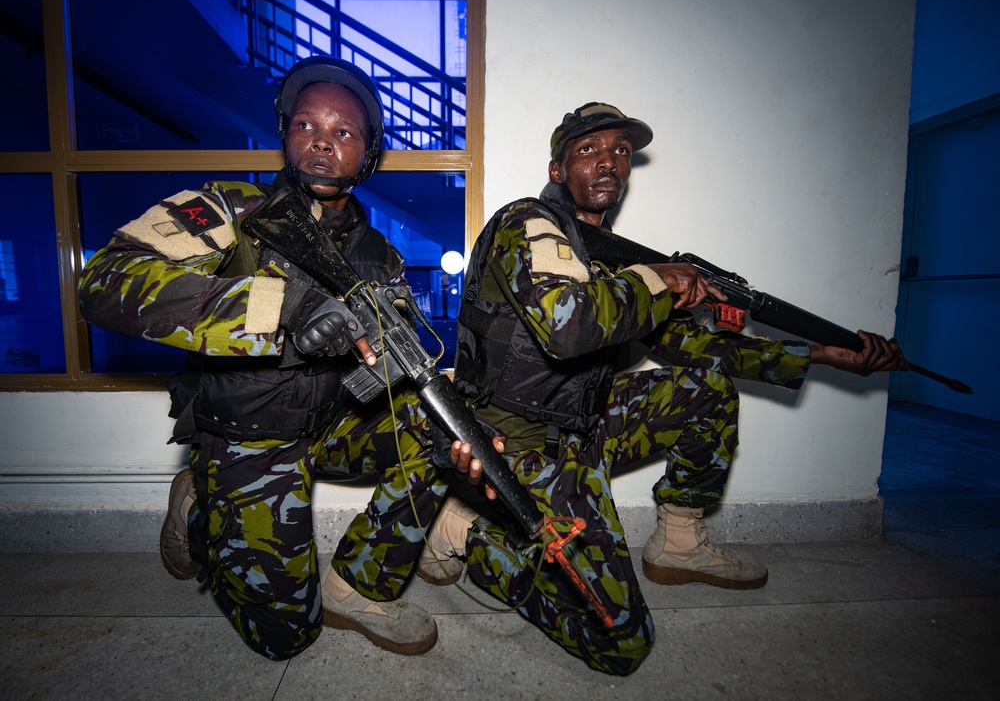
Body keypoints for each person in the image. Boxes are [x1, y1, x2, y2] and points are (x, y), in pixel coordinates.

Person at [415, 102, 903, 675]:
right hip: (517, 446)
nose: (609, 162)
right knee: (620, 644)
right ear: (557, 170)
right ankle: (462, 528)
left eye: (620, 151)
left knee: (706, 387)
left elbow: (699, 348)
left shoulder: (607, 258)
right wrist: (659, 279)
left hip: (583, 424)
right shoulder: (528, 225)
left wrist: (821, 354)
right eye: (589, 150)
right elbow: (572, 325)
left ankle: (678, 541)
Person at [78, 55, 493, 661]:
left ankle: (359, 585)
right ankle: (202, 507)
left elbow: (388, 367)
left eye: (343, 132)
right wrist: (280, 307)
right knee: (287, 639)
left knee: (443, 429)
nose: (322, 143)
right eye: (306, 126)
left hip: (331, 421)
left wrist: (454, 422)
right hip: (247, 433)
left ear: (369, 152)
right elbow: (107, 280)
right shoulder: (231, 210)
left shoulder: (380, 254)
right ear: (284, 135)